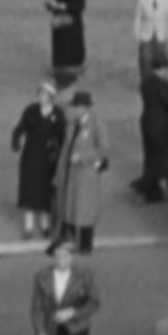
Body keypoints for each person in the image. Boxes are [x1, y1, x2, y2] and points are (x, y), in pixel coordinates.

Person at [52, 91, 110, 255]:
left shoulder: (97, 125)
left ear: (85, 108)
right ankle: (71, 238)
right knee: (72, 207)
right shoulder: (72, 125)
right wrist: (60, 171)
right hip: (72, 173)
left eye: (77, 107)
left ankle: (86, 244)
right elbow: (66, 149)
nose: (74, 110)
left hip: (86, 173)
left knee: (85, 209)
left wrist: (83, 157)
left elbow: (104, 150)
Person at [10, 80, 65, 241]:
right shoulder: (31, 111)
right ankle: (28, 226)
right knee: (29, 190)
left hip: (48, 158)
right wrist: (16, 141)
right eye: (40, 94)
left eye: (45, 95)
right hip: (31, 155)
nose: (41, 97)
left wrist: (60, 155)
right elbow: (20, 128)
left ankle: (45, 225)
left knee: (45, 191)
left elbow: (61, 136)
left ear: (51, 97)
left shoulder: (58, 114)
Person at [132, 56, 168, 204]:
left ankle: (153, 191)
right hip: (160, 125)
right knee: (161, 158)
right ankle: (148, 188)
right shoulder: (162, 85)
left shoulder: (146, 82)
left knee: (150, 157)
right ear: (164, 69)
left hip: (147, 121)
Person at [134, 0, 168, 84]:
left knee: (162, 58)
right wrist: (137, 35)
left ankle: (162, 81)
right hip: (146, 34)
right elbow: (138, 18)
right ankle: (146, 82)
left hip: (161, 34)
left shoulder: (166, 0)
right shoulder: (142, 0)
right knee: (145, 59)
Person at [46, 0, 87, 79]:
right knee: (60, 46)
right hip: (59, 24)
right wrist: (50, 5)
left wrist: (64, 6)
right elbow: (53, 2)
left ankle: (74, 67)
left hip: (72, 25)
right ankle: (59, 67)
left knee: (72, 46)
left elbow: (80, 6)